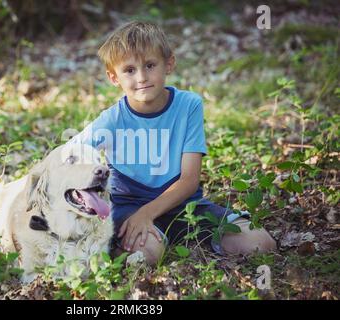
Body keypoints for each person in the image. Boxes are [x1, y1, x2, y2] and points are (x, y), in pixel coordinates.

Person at [68, 21, 276, 264]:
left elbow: (189, 181)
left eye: (150, 65)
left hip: (184, 206)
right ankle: (116, 242)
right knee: (147, 256)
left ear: (169, 64)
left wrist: (149, 213)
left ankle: (176, 235)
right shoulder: (112, 119)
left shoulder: (188, 106)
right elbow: (69, 155)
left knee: (261, 243)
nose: (142, 77)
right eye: (130, 70)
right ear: (114, 77)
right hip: (130, 208)